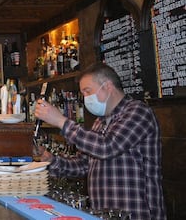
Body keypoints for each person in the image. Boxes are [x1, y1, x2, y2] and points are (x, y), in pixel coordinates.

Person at [34, 64, 166, 220]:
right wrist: (51, 161)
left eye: (88, 91)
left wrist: (61, 121)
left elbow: (108, 147)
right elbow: (83, 165)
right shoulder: (100, 122)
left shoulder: (138, 111)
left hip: (137, 213)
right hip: (104, 214)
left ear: (108, 86)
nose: (85, 98)